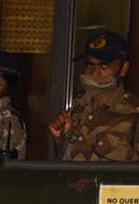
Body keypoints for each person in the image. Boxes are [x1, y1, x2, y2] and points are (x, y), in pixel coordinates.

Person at [49, 31, 139, 162]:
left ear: (124, 68)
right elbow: (66, 167)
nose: (95, 74)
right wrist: (59, 140)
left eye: (104, 66)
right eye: (90, 65)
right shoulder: (76, 112)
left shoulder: (133, 115)